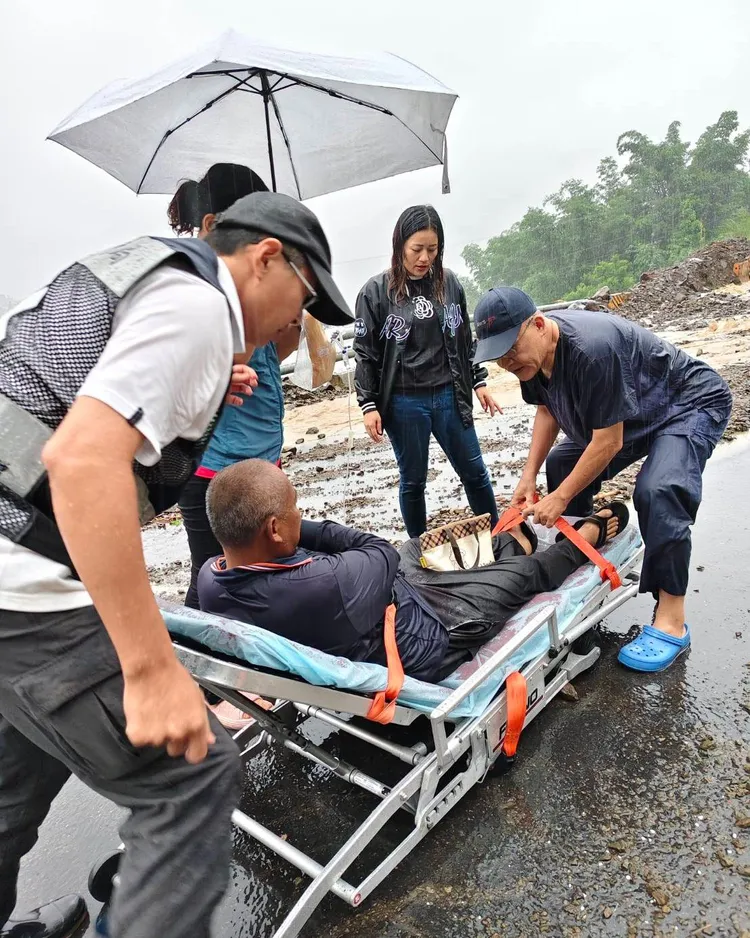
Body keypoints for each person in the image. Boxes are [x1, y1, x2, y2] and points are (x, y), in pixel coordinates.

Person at [0, 192, 352, 938]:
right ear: (265, 259)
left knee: (16, 776)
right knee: (191, 777)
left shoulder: (142, 270)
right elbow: (82, 456)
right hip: (21, 579)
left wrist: (205, 379)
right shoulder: (199, 308)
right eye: (306, 294)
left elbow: (60, 392)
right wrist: (150, 667)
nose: (301, 319)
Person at [472, 286, 733, 673]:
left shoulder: (593, 350)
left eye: (511, 350)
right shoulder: (531, 359)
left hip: (686, 404)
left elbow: (608, 442)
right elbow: (548, 409)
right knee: (562, 461)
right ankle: (581, 558)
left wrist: (559, 499)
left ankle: (672, 622)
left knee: (659, 490)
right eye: (498, 357)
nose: (507, 362)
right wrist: (529, 478)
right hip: (640, 411)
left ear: (539, 325)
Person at [197, 460, 627, 683]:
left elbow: (375, 564)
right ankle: (583, 536)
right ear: (273, 529)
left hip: (374, 602)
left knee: (435, 546)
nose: (301, 514)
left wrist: (283, 526)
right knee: (525, 576)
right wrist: (300, 528)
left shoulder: (210, 578)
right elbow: (375, 550)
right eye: (295, 508)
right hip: (426, 634)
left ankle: (508, 542)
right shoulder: (323, 584)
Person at [167, 163, 303, 611]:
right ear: (211, 226)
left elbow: (274, 355)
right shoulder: (186, 286)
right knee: (211, 576)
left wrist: (292, 314)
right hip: (211, 467)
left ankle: (245, 673)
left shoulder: (255, 281)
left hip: (264, 453)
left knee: (262, 572)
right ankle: (197, 670)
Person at [353, 205, 501, 538]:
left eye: (432, 250)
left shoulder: (449, 285)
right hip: (404, 403)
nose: (424, 258)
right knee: (413, 480)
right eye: (416, 249)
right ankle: (417, 548)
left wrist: (478, 382)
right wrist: (369, 405)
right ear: (400, 245)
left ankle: (497, 535)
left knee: (475, 472)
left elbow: (464, 338)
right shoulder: (376, 292)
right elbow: (365, 353)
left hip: (449, 395)